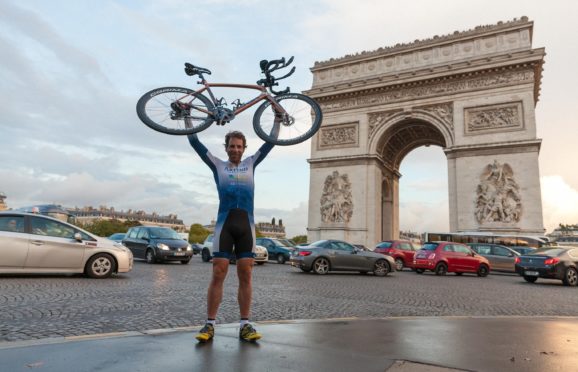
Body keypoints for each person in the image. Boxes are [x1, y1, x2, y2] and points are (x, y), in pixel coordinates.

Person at [189, 127, 277, 343]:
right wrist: (188, 120)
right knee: (219, 272)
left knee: (246, 274)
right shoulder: (218, 164)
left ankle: (245, 324)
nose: (235, 150)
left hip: (246, 224)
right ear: (226, 148)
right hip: (224, 224)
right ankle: (209, 324)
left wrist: (276, 118)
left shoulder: (251, 163)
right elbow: (195, 142)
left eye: (239, 146)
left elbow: (271, 142)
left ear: (244, 148)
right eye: (231, 146)